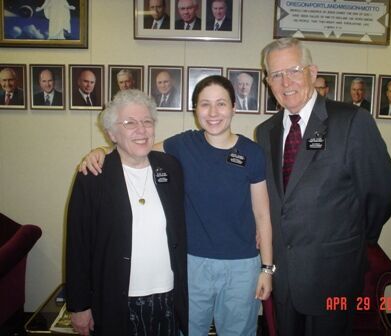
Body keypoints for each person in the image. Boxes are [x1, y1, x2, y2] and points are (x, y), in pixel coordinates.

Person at [79, 75, 273, 336]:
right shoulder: (182, 145)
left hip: (241, 267)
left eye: (221, 104)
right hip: (192, 266)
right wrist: (101, 151)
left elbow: (262, 215)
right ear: (195, 110)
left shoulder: (253, 153)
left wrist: (266, 269)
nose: (213, 112)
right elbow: (136, 149)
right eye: (205, 104)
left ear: (234, 107)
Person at [255, 37, 391, 336]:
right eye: (276, 74)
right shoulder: (265, 131)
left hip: (333, 273)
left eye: (293, 70)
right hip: (285, 278)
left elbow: (383, 193)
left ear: (312, 71)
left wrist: (358, 238)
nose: (286, 81)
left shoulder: (351, 121)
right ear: (269, 82)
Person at [66, 89, 188, 336]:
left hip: (168, 296)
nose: (141, 130)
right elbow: (78, 245)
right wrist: (79, 306)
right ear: (112, 133)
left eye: (146, 121)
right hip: (117, 299)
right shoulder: (93, 176)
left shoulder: (170, 167)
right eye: (130, 123)